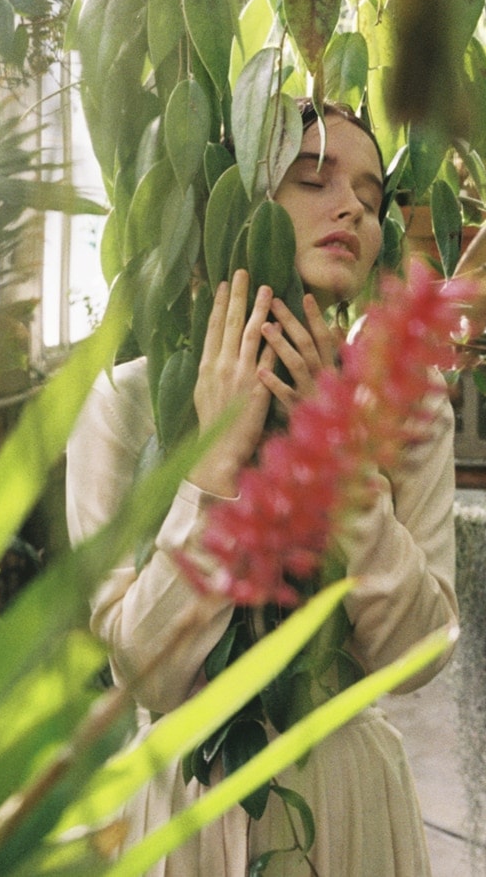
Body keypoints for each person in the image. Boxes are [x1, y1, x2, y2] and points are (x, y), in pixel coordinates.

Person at [66, 101, 457, 875]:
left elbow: (417, 655)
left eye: (371, 196)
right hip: (183, 811)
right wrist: (213, 470)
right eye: (314, 178)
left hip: (348, 806)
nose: (352, 206)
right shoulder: (129, 402)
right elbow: (145, 671)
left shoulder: (409, 404)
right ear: (242, 200)